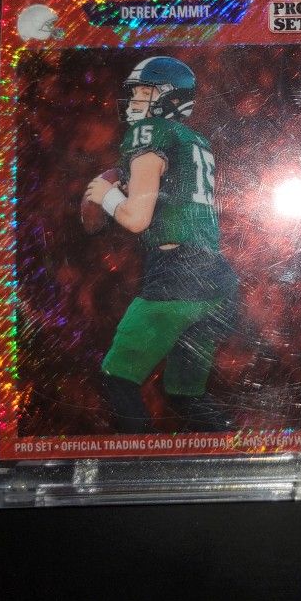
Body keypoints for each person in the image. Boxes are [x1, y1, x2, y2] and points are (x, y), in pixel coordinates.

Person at [83, 55, 239, 432]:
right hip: (218, 283)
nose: (134, 100)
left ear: (171, 98)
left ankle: (139, 461)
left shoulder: (150, 131)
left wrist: (106, 195)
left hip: (176, 280)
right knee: (186, 395)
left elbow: (137, 219)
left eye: (144, 92)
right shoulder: (195, 140)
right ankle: (236, 449)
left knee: (117, 379)